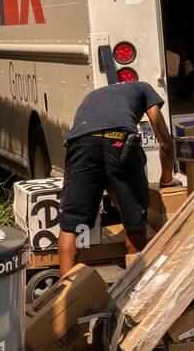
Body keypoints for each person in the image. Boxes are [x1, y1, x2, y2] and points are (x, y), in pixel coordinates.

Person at [58, 80, 175, 274]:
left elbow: (100, 158)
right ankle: (134, 283)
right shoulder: (144, 88)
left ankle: (65, 295)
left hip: (80, 143)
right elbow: (165, 143)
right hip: (120, 141)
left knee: (71, 224)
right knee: (134, 219)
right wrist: (166, 179)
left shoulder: (94, 95)